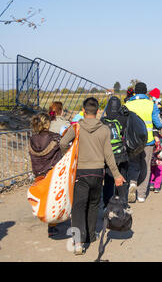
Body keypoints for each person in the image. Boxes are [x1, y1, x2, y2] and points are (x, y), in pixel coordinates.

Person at [60, 97, 126, 255]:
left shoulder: (76, 128)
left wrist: (70, 158)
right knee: (93, 205)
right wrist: (116, 175)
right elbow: (109, 155)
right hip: (97, 173)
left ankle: (78, 242)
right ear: (97, 112)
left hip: (80, 172)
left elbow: (62, 143)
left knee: (78, 206)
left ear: (83, 111)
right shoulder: (104, 129)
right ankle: (90, 236)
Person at [125, 82, 162, 203]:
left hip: (132, 141)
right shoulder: (151, 104)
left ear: (135, 92)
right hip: (148, 141)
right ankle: (141, 195)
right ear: (146, 92)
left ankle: (132, 183)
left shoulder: (128, 104)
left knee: (134, 164)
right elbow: (158, 123)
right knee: (145, 167)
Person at [28, 113, 63, 238]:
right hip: (53, 173)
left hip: (38, 172)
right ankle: (53, 223)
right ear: (47, 123)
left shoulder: (32, 139)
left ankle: (46, 218)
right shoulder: (55, 137)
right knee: (54, 199)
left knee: (44, 198)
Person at [101, 96, 129, 207]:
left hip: (108, 155)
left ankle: (107, 204)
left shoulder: (103, 121)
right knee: (122, 178)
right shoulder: (123, 119)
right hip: (121, 155)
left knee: (108, 181)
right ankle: (121, 202)